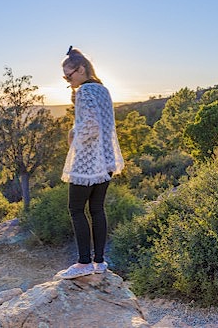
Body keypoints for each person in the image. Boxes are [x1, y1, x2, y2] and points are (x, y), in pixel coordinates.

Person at [58, 46, 124, 279]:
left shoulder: (86, 92)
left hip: (88, 161)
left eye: (70, 75)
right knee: (97, 209)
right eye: (65, 77)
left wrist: (73, 135)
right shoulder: (103, 90)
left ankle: (84, 262)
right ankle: (99, 262)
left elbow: (91, 125)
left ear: (82, 68)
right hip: (105, 160)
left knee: (76, 209)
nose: (68, 80)